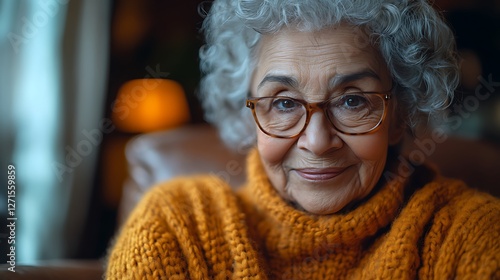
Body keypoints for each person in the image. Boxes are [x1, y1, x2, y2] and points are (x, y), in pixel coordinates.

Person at [105, 0, 500, 278]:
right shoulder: (176, 227)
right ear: (250, 116)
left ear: (399, 114)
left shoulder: (469, 235)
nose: (317, 141)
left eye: (351, 100)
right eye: (283, 103)